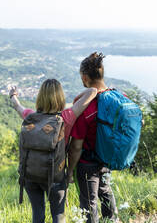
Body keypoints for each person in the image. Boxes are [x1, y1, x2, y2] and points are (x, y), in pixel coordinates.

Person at [9, 79, 97, 223]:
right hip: (55, 177)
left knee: (37, 215)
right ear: (60, 97)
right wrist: (69, 174)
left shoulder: (30, 117)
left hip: (30, 175)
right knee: (58, 215)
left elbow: (17, 106)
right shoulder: (66, 117)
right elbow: (92, 92)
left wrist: (13, 95)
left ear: (40, 97)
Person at [68, 53, 118, 223]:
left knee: (89, 203)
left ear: (84, 77)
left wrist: (69, 171)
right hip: (108, 159)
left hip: (87, 163)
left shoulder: (86, 108)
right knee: (105, 191)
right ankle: (112, 220)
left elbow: (76, 147)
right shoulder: (118, 99)